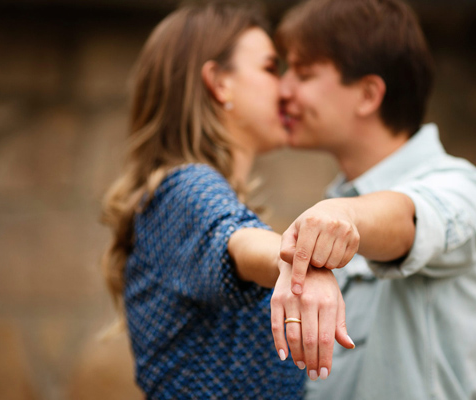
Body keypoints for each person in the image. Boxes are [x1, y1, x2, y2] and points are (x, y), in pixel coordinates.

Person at [100, 2, 353, 399]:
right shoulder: (183, 189)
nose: (287, 88)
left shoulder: (186, 195)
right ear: (220, 83)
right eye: (271, 68)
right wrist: (299, 264)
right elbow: (234, 238)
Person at [270, 0, 476, 399]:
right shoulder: (337, 202)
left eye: (304, 73)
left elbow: (409, 219)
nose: (283, 88)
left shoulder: (465, 189)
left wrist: (344, 214)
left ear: (368, 94)